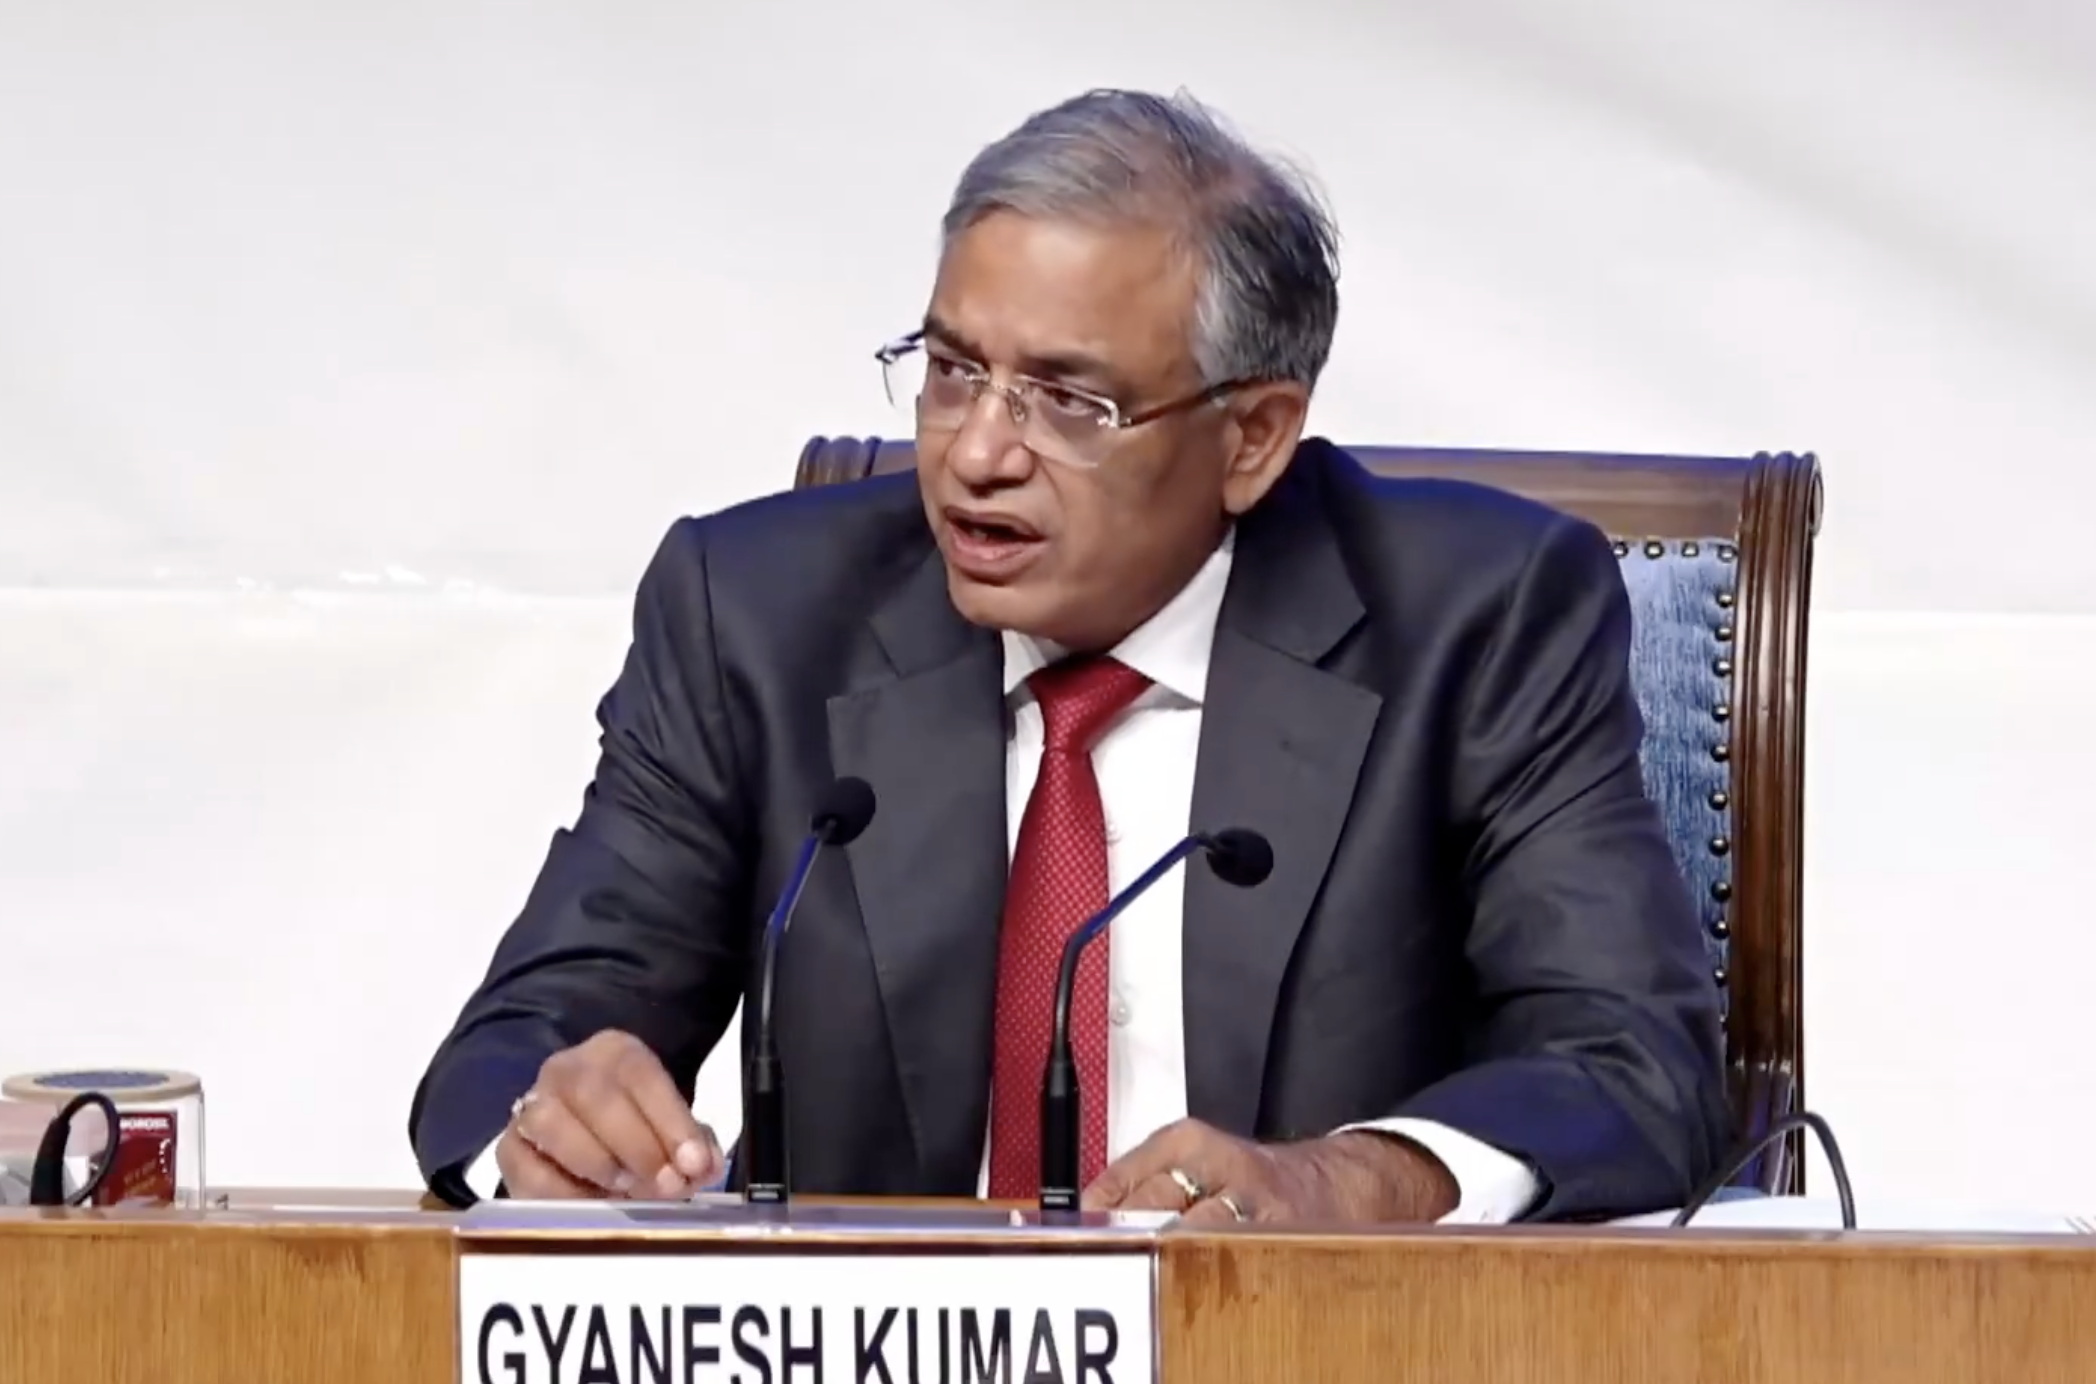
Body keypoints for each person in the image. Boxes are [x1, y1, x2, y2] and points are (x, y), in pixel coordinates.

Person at [410, 88, 1729, 1224]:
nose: (978, 452)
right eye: (951, 371)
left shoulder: (1478, 620)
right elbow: (517, 1044)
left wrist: (1350, 1183)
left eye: (1068, 400)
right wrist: (548, 1125)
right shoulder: (754, 618)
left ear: (1254, 437)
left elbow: (1631, 1068)